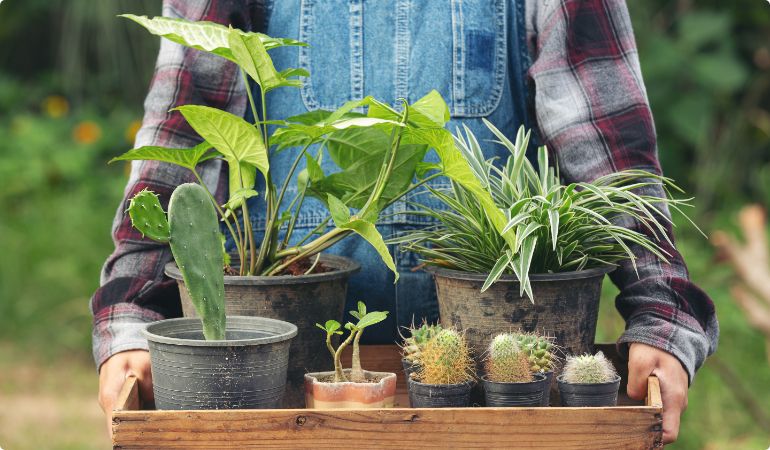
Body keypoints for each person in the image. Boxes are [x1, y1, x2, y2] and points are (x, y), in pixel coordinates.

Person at [93, 0, 718, 443]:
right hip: (276, 380)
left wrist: (662, 312)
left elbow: (607, 144)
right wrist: (132, 315)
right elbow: (181, 135)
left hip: (495, 383)